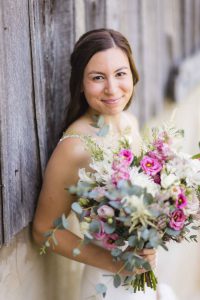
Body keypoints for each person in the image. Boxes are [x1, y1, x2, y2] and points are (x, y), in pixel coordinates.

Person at [32, 28, 176, 300]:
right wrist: (117, 263)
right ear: (81, 83)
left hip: (146, 281)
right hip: (108, 288)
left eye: (120, 74)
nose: (112, 88)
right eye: (98, 78)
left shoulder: (129, 123)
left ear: (132, 74)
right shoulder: (74, 147)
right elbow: (43, 231)